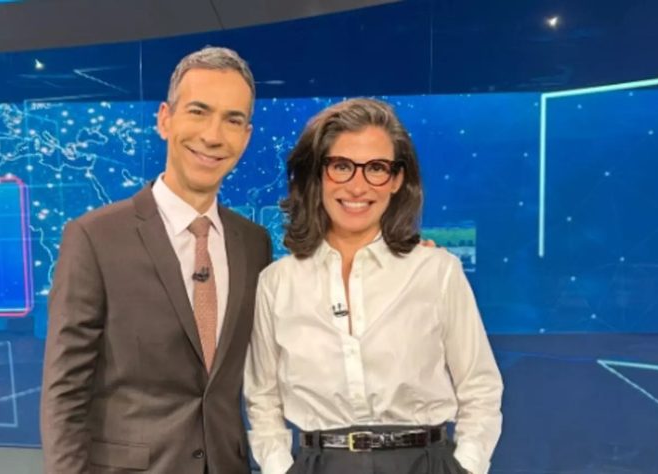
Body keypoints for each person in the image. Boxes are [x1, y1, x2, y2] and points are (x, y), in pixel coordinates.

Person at [40, 46, 273, 474]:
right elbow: (64, 394)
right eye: (199, 112)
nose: (213, 136)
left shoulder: (254, 244)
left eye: (232, 120)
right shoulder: (95, 237)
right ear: (165, 119)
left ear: (246, 135)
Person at [244, 98, 503, 474]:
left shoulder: (437, 271)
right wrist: (280, 468)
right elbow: (262, 399)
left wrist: (466, 467)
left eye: (376, 168)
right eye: (341, 166)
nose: (357, 186)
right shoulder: (277, 283)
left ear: (397, 180)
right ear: (318, 175)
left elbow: (480, 387)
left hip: (424, 463)